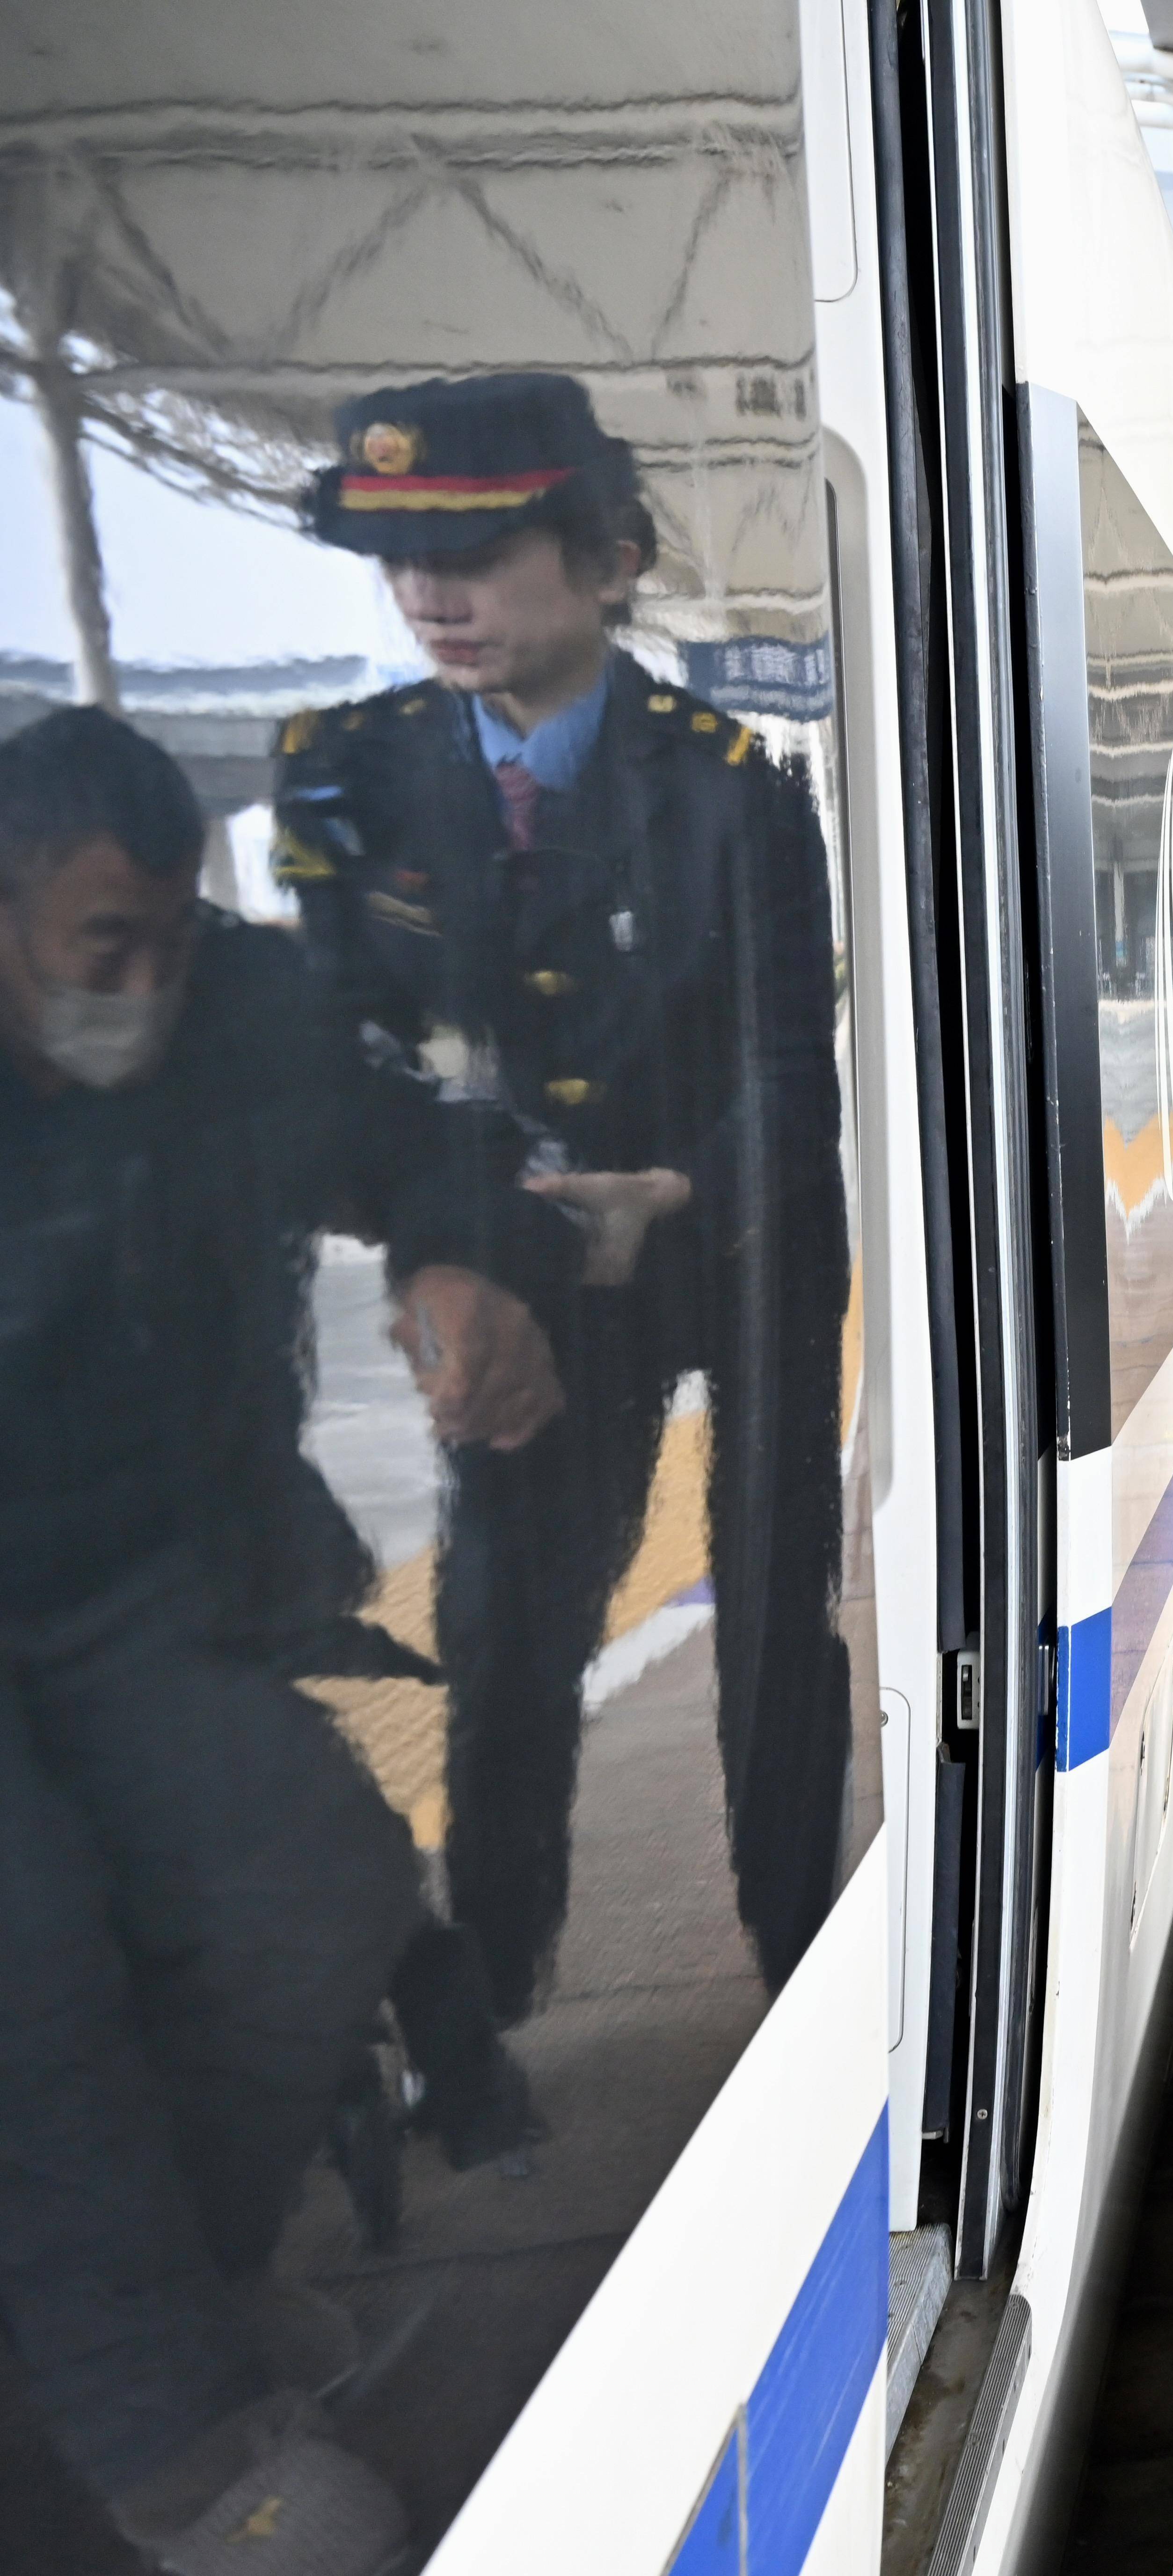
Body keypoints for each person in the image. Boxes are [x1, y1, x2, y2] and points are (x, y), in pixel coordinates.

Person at [0, 706, 572, 2574]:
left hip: (115, 1580)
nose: (149, 987)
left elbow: (411, 1127)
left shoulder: (226, 1009)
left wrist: (447, 1249)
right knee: (34, 1969)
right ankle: (171, 2456)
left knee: (311, 1892)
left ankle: (180, 2303)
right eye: (109, 947)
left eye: (176, 933)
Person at [277, 372, 851, 2025]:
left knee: (770, 1618)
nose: (432, 596)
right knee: (505, 1633)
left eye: (479, 548)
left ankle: (798, 1961)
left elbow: (787, 1060)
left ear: (607, 561)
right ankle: (499, 1993)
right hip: (513, 1272)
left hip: (735, 1249)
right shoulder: (344, 779)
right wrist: (461, 1247)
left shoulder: (734, 784)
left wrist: (678, 1186)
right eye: (399, 558)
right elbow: (338, 1061)